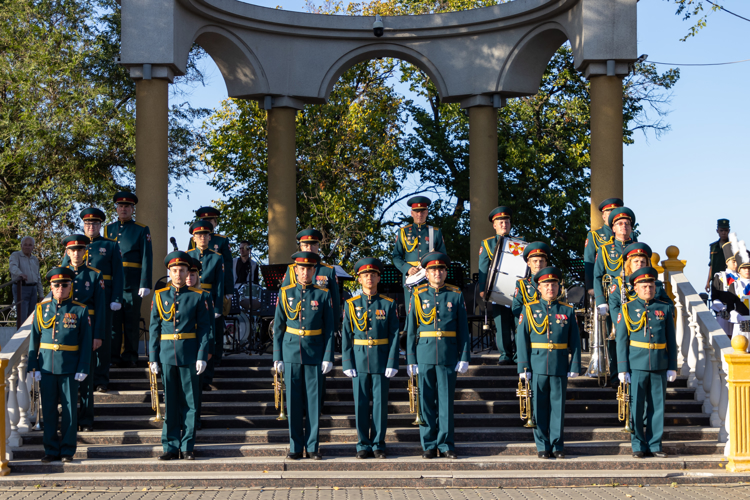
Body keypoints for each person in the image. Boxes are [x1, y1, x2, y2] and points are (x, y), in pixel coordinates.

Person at [406, 252, 470, 459]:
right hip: (424, 353)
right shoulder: (417, 294)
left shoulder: (455, 294)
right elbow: (411, 330)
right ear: (427, 272)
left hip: (448, 353)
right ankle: (429, 444)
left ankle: (446, 444)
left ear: (445, 272)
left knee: (446, 402)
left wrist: (465, 356)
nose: (437, 273)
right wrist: (410, 359)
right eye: (433, 270)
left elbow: (463, 329)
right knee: (425, 401)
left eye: (441, 270)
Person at [148, 251, 211, 461]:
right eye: (174, 271)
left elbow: (204, 328)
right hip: (166, 354)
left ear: (188, 273)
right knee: (171, 402)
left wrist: (202, 355)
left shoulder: (198, 296)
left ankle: (188, 446)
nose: (178, 274)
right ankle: (170, 446)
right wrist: (153, 357)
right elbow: (154, 328)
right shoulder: (159, 296)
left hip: (189, 353)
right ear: (169, 272)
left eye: (182, 270)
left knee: (190, 403)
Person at [273, 251, 335, 460]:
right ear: (295, 270)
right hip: (290, 351)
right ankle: (295, 446)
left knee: (313, 402)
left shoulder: (323, 294)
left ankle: (312, 446)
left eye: (309, 269)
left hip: (315, 351)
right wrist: (277, 356)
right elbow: (279, 327)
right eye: (302, 269)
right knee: (292, 401)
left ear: (314, 271)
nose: (305, 272)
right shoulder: (285, 292)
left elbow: (329, 329)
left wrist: (328, 356)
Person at [27, 267, 92, 463]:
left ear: (71, 286)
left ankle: (67, 451)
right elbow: (34, 341)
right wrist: (34, 367)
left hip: (69, 369)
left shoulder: (79, 310)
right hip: (46, 368)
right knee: (48, 410)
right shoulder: (41, 309)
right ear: (51, 287)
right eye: (57, 285)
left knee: (70, 411)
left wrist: (83, 367)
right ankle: (50, 449)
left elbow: (86, 342)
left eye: (65, 285)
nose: (60, 288)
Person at [516, 267, 581, 459]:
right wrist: (523, 367)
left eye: (553, 284)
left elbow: (575, 341)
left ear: (559, 287)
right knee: (538, 406)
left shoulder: (567, 310)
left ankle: (557, 445)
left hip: (559, 363)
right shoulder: (529, 309)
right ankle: (542, 445)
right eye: (546, 285)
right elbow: (522, 340)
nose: (550, 288)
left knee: (558, 407)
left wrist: (575, 365)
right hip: (536, 364)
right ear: (538, 288)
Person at [615, 266, 677, 459]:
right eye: (643, 286)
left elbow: (671, 340)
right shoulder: (627, 309)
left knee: (657, 406)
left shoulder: (664, 308)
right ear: (635, 287)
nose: (648, 289)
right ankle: (638, 445)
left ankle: (655, 444)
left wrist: (672, 366)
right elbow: (621, 340)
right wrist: (623, 367)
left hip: (659, 363)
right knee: (636, 406)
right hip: (636, 364)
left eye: (650, 286)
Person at [341, 258, 399, 459]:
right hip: (358, 359)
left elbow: (394, 335)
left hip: (381, 359)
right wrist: (347, 362)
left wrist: (392, 362)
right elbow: (346, 335)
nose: (369, 278)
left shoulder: (388, 304)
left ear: (379, 278)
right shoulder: (351, 305)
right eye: (366, 275)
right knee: (361, 404)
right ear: (359, 279)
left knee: (381, 405)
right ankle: (362, 444)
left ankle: (379, 444)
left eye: (373, 275)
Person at [61, 208, 124, 393]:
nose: (91, 227)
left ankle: (101, 379)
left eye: (95, 224)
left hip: (103, 299)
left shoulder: (110, 245)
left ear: (100, 225)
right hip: (75, 304)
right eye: (88, 224)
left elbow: (119, 274)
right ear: (83, 225)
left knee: (101, 341)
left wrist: (117, 298)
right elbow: (63, 273)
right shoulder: (74, 246)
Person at [280, 229, 341, 413]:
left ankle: (317, 407)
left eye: (313, 244)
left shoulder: (328, 271)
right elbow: (284, 301)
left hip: (318, 332)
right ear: (300, 246)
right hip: (296, 333)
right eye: (305, 244)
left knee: (318, 376)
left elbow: (335, 304)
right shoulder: (292, 269)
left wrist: (333, 327)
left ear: (318, 246)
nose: (309, 247)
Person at [61, 235, 106, 432]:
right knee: (66, 376)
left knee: (86, 377)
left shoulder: (95, 275)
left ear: (84, 251)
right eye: (73, 250)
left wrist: (98, 335)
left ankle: (86, 419)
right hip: (66, 331)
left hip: (88, 329)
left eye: (80, 250)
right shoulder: (60, 276)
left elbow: (101, 308)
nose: (76, 254)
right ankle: (68, 418)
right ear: (67, 253)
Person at [104, 191, 153, 369]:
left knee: (131, 322)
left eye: (127, 206)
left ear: (133, 209)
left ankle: (131, 355)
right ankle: (113, 356)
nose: (123, 209)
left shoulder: (141, 229)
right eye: (120, 206)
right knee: (114, 324)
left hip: (132, 284)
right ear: (116, 208)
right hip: (113, 285)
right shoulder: (108, 229)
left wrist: (145, 283)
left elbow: (147, 257)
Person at [593, 207, 636, 386]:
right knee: (614, 337)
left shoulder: (637, 249)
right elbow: (597, 276)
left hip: (634, 299)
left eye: (627, 224)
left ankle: (632, 371)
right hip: (613, 299)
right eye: (620, 224)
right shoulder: (604, 250)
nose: (624, 227)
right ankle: (615, 374)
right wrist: (601, 301)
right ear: (613, 228)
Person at [187, 220, 225, 390]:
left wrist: (218, 307)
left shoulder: (217, 257)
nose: (202, 238)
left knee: (209, 338)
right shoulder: (187, 256)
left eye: (205, 235)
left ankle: (207, 378)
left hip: (208, 298)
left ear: (210, 237)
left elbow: (219, 284)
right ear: (193, 238)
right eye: (199, 235)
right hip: (190, 299)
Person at [477, 206, 517, 365]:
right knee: (502, 323)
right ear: (494, 225)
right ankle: (505, 355)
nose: (503, 224)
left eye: (506, 221)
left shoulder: (518, 242)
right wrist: (482, 289)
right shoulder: (487, 244)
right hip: (497, 290)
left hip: (517, 291)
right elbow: (482, 268)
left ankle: (519, 355)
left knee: (518, 323)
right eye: (500, 222)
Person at [392, 196, 448, 302]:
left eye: (422, 211)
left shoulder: (434, 232)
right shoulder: (403, 232)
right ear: (411, 213)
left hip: (430, 277)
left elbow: (443, 256)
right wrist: (407, 268)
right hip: (411, 277)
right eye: (416, 211)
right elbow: (396, 256)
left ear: (427, 212)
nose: (419, 214)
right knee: (411, 310)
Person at [186, 256, 215, 431]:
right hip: (180, 345)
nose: (189, 277)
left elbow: (209, 325)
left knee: (195, 388)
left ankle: (195, 420)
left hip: (198, 346)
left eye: (193, 274)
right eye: (187, 274)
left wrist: (209, 348)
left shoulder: (204, 295)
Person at [608, 243, 670, 321]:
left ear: (647, 264)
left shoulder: (656, 283)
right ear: (629, 264)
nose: (639, 264)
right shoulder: (619, 283)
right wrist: (621, 326)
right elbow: (614, 307)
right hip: (630, 325)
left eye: (642, 262)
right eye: (636, 261)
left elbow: (668, 303)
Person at [188, 207, 234, 301]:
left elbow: (228, 265)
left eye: (210, 220)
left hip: (215, 287)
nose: (207, 223)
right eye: (204, 220)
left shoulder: (222, 240)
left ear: (215, 223)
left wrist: (228, 288)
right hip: (195, 287)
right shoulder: (194, 240)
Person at [584, 198, 623, 293]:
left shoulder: (630, 235)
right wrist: (590, 286)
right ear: (603, 216)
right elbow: (589, 261)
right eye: (609, 212)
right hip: (604, 285)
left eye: (615, 212)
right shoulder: (594, 235)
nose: (612, 215)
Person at [511, 242, 552, 324]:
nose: (538, 264)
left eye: (541, 261)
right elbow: (516, 308)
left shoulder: (552, 284)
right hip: (528, 324)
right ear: (528, 263)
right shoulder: (522, 284)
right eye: (535, 261)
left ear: (546, 263)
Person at [9, 236, 44, 321]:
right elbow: (12, 267)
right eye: (25, 244)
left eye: (30, 245)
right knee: (22, 316)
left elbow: (38, 277)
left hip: (33, 289)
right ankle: (21, 334)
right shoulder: (16, 255)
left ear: (33, 247)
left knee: (33, 317)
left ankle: (31, 334)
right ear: (21, 245)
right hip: (21, 288)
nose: (27, 247)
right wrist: (20, 274)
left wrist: (41, 294)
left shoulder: (35, 259)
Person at [711, 240, 741, 335]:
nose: (736, 264)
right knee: (725, 339)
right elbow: (714, 297)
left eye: (737, 261)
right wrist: (723, 309)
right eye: (734, 261)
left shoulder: (742, 277)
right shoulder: (719, 276)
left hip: (739, 314)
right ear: (727, 262)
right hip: (724, 314)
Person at [706, 219, 730, 292]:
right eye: (721, 230)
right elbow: (711, 265)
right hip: (715, 280)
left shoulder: (732, 245)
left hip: (729, 280)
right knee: (715, 301)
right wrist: (708, 282)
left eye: (725, 230)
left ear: (728, 231)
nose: (723, 233)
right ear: (717, 231)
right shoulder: (713, 247)